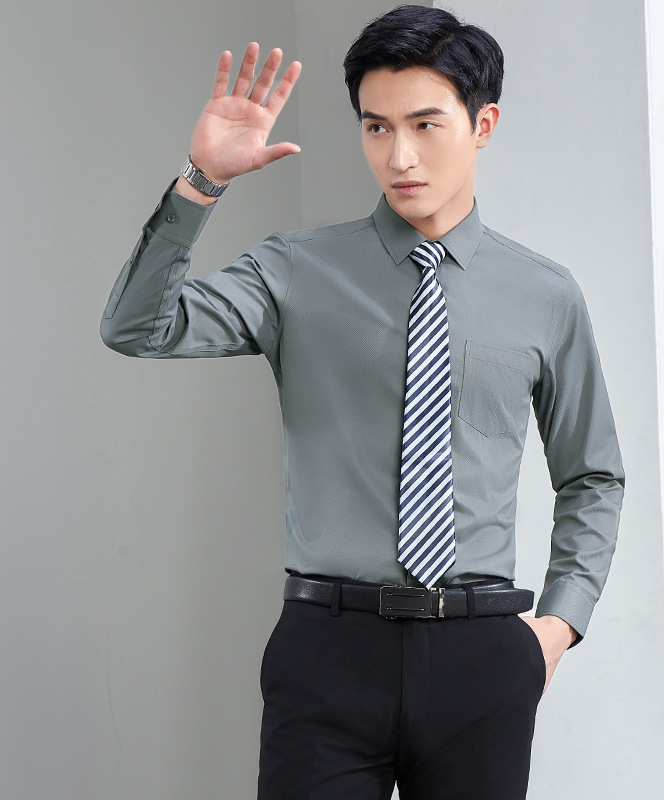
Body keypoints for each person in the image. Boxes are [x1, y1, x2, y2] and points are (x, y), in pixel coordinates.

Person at [100, 5, 624, 799]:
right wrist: (201, 183)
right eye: (376, 128)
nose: (399, 156)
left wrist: (558, 624)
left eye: (425, 124)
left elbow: (593, 475)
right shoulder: (294, 270)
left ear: (482, 125)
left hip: (481, 656)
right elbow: (138, 328)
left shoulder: (546, 294)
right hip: (328, 651)